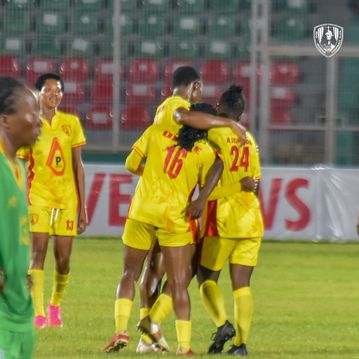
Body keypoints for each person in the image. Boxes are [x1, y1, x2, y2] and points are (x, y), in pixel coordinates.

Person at [103, 111, 223, 355]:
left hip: (142, 211)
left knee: (129, 273)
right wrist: (201, 199)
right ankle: (184, 346)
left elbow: (131, 164)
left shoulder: (155, 132)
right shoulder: (203, 149)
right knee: (179, 282)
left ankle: (120, 330)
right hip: (174, 218)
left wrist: (150, 172)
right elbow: (218, 167)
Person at [194, 85, 264, 355]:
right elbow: (255, 184)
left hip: (222, 218)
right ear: (242, 112)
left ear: (221, 107)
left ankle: (222, 324)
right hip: (251, 220)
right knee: (242, 285)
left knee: (206, 278)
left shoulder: (214, 132)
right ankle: (240, 345)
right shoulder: (250, 139)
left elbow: (211, 171)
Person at [17, 73, 87, 328]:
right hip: (38, 197)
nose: (53, 94)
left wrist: (83, 208)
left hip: (67, 199)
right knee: (38, 253)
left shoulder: (71, 123)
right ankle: (38, 313)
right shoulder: (29, 124)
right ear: (38, 94)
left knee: (64, 259)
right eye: (47, 90)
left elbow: (78, 166)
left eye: (57, 90)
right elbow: (20, 167)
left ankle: (55, 304)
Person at [0, 77, 41, 359]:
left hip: (20, 312)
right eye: (32, 113)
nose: (40, 121)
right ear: (6, 120)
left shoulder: (18, 167)